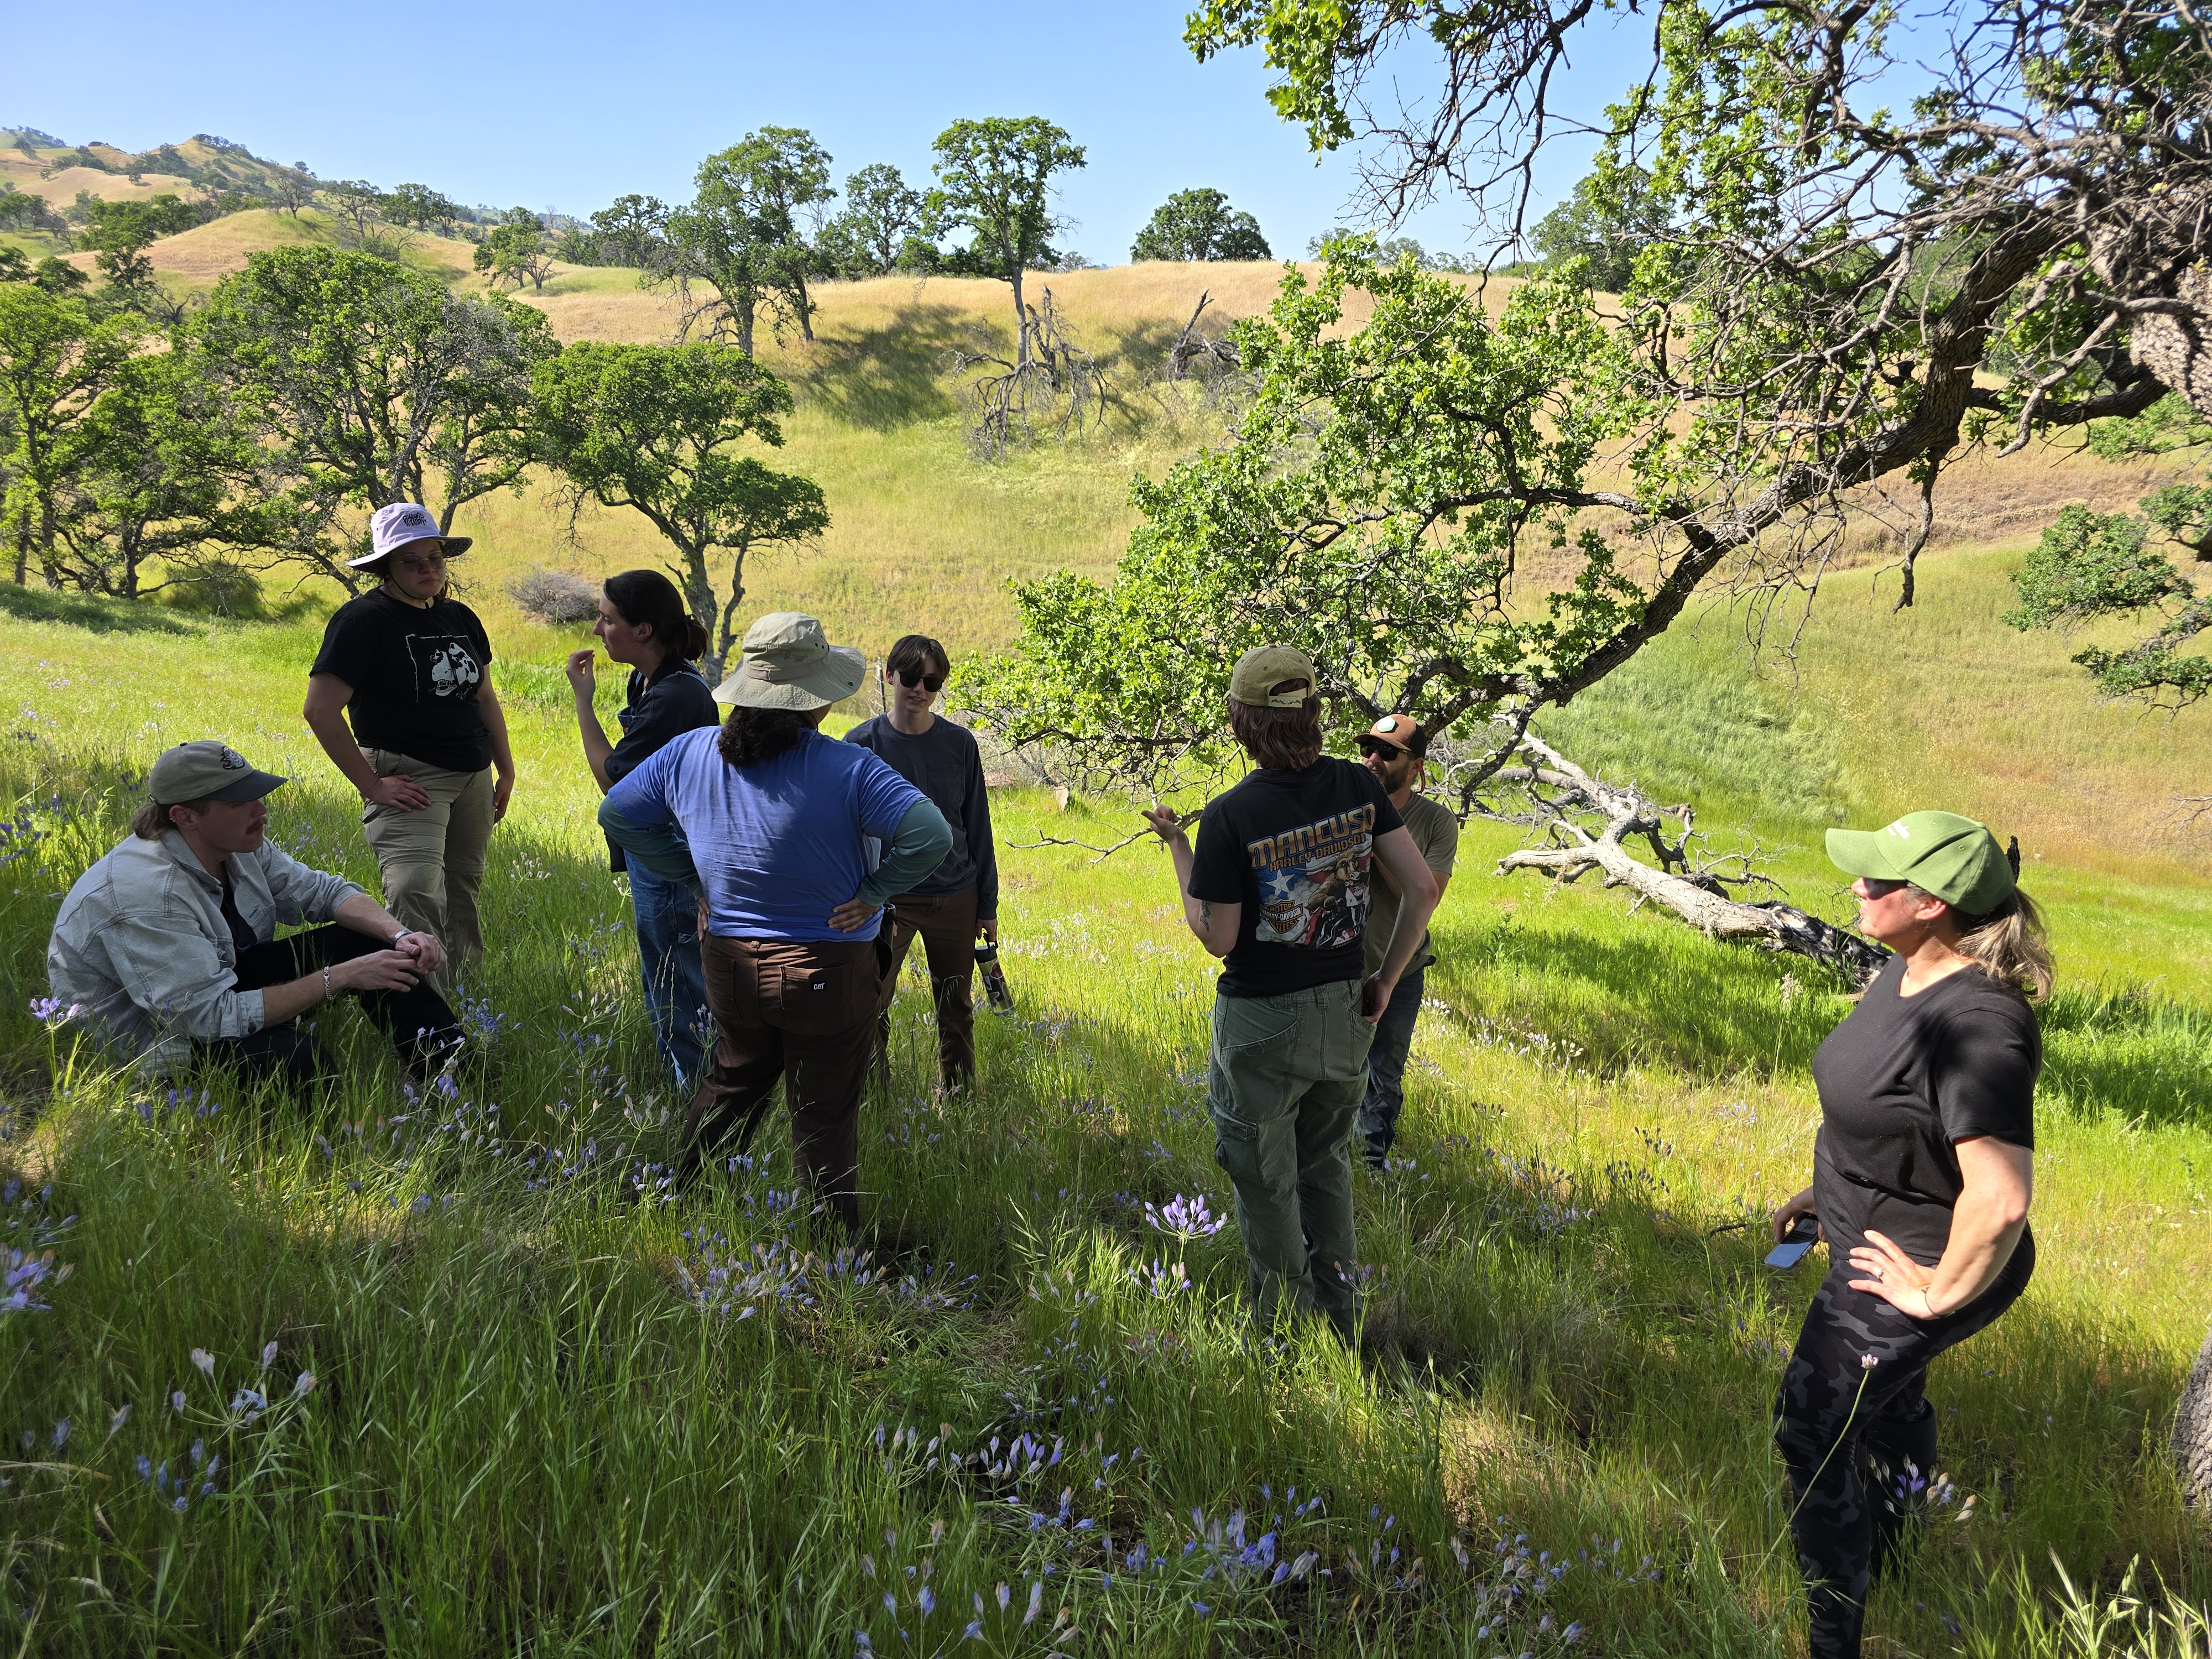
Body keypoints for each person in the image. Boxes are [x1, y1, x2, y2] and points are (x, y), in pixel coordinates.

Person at [1768, 811, 2051, 1659]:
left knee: (1810, 1429)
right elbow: (1889, 1117)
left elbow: (2000, 1200)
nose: (1859, 887)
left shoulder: (1979, 1025)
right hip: (1869, 1228)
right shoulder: (1903, 972)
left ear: (1931, 904)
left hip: (1922, 1261)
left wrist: (1932, 1295)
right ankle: (1892, 1554)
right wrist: (1821, 1193)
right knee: (1889, 1404)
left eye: (1879, 880)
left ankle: (1833, 1637)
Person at [599, 613, 952, 1232]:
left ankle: (678, 1204)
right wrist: (875, 891)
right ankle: (834, 1245)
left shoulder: (689, 753)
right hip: (828, 965)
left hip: (731, 962)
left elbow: (619, 815)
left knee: (732, 1082)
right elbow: (930, 835)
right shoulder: (849, 768)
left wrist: (692, 876)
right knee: (823, 1113)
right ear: (815, 701)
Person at [1142, 646, 1441, 1340]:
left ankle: (1283, 1333)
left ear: (1242, 722)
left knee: (1265, 1179)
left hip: (1261, 1021)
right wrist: (1386, 981)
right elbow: (1422, 890)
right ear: (1312, 712)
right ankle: (1343, 1314)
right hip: (1345, 1008)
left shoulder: (1230, 815)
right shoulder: (1357, 786)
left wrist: (1176, 849)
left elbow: (1216, 936)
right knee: (1326, 1166)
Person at [46, 740, 461, 1084]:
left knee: (366, 940)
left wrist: (398, 935)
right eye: (240, 801)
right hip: (155, 1035)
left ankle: (457, 1078)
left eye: (257, 794)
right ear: (184, 817)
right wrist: (343, 977)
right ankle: (348, 1147)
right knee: (298, 1060)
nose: (261, 808)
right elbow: (206, 1018)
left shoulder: (236, 845)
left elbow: (322, 891)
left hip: (211, 982)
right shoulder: (147, 897)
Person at [301, 502, 515, 984]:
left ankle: (467, 999)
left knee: (463, 886)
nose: (427, 569)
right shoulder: (362, 621)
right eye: (411, 560)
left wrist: (506, 770)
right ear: (384, 567)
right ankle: (426, 1017)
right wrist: (373, 786)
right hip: (410, 775)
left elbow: (483, 695)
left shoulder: (459, 617)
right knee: (416, 890)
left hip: (473, 775)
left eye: (435, 558)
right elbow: (319, 710)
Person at [565, 570, 721, 1091]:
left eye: (608, 620)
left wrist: (584, 703)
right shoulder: (650, 680)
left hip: (672, 857)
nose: (597, 630)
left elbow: (613, 779)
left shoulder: (675, 696)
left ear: (645, 630)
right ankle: (683, 1081)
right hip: (655, 850)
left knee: (677, 975)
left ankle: (698, 1091)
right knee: (663, 969)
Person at [843, 633, 1000, 1094]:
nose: (919, 689)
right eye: (909, 676)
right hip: (888, 900)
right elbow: (847, 833)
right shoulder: (861, 744)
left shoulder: (959, 744)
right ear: (888, 675)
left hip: (956, 895)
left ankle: (959, 1100)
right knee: (869, 1003)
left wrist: (986, 905)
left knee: (956, 1006)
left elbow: (977, 826)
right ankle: (874, 1100)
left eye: (931, 681)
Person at [1353, 714, 1458, 1170]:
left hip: (1401, 971)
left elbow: (1421, 894)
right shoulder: (1344, 807)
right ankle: (1331, 1160)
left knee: (1383, 1075)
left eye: (1388, 753)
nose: (1373, 759)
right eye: (1368, 750)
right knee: (1333, 1069)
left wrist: (1376, 836)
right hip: (1339, 966)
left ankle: (1372, 1166)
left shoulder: (1436, 822)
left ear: (1416, 766)